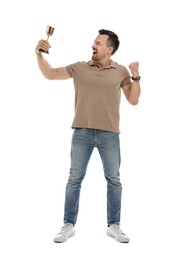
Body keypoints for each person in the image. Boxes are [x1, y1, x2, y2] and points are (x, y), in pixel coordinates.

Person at [35, 29, 141, 243]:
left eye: (98, 43)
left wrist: (135, 75)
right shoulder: (81, 67)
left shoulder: (120, 71)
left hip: (110, 133)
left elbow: (133, 99)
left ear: (109, 49)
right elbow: (50, 74)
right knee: (74, 179)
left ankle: (114, 225)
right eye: (94, 42)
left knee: (114, 180)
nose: (93, 45)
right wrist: (39, 54)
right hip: (82, 131)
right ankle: (68, 224)